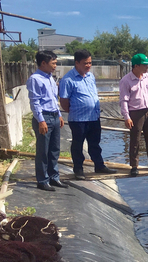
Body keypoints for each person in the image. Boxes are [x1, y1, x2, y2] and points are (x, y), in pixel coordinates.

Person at [59, 49, 117, 179]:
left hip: (93, 117)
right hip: (78, 119)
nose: (89, 65)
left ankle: (99, 165)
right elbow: (63, 101)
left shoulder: (91, 76)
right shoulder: (68, 79)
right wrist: (73, 110)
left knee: (95, 143)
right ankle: (78, 169)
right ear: (77, 63)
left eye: (90, 62)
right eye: (86, 63)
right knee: (78, 145)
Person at [26, 50, 67, 191]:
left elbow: (53, 100)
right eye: (53, 63)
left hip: (54, 116)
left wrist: (59, 115)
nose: (55, 66)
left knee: (54, 149)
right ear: (43, 63)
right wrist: (41, 121)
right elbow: (35, 102)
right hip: (44, 117)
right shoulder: (35, 79)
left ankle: (54, 177)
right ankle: (42, 180)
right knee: (43, 150)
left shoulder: (50, 78)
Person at [119, 53, 148, 176]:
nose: (147, 67)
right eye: (144, 65)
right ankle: (134, 165)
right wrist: (126, 116)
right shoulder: (126, 80)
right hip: (135, 112)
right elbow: (124, 100)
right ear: (136, 66)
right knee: (135, 139)